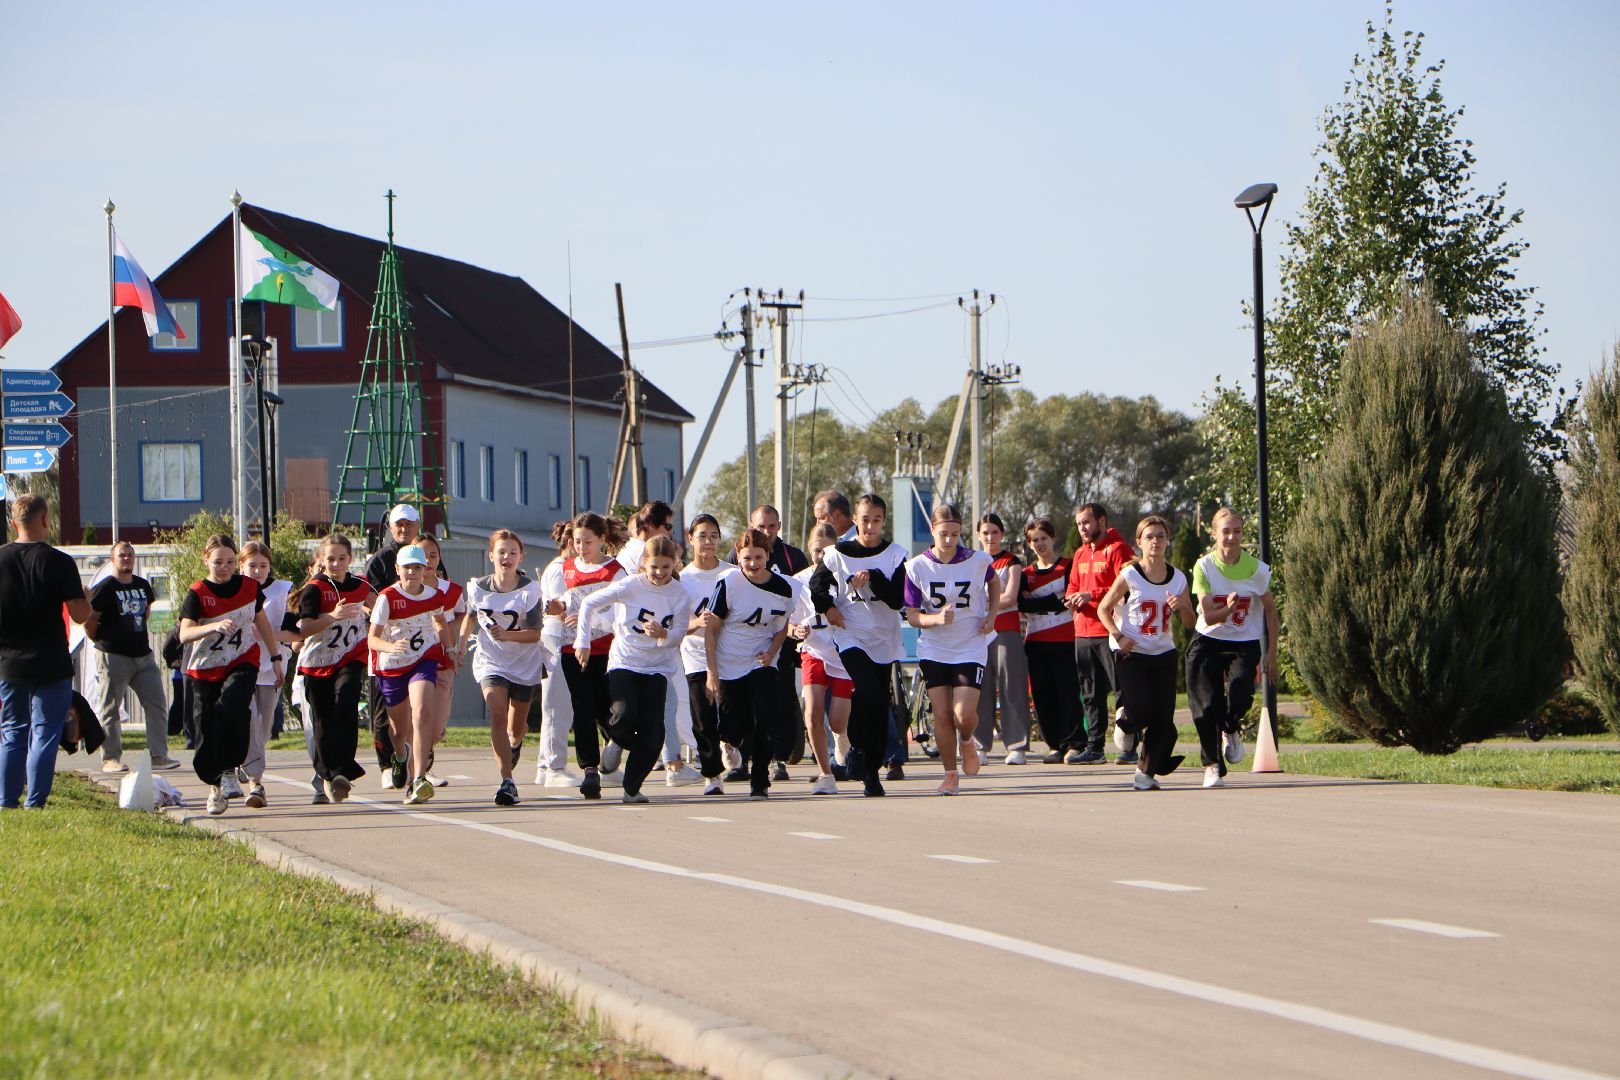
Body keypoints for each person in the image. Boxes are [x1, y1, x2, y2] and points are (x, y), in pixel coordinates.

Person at [578, 534, 693, 803]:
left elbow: (678, 635)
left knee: (654, 733)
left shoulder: (680, 593)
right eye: (654, 567)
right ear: (644, 564)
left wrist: (663, 633)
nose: (659, 573)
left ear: (674, 564)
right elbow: (588, 603)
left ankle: (631, 788)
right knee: (625, 715)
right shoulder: (630, 585)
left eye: (666, 567)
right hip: (626, 661)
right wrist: (582, 641)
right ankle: (616, 741)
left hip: (658, 667)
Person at [0, 494, 97, 810]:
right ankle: (35, 801)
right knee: (44, 733)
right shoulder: (59, 562)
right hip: (51, 662)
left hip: (9, 663)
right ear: (45, 519)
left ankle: (6, 801)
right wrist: (86, 599)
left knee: (12, 732)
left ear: (14, 523)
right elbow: (80, 615)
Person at [809, 492, 908, 797]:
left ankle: (871, 770)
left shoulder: (895, 555)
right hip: (850, 634)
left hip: (884, 637)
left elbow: (897, 599)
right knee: (866, 690)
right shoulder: (839, 553)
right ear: (855, 520)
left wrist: (874, 576)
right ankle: (857, 747)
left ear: (883, 521)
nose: (870, 526)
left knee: (878, 703)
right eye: (865, 519)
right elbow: (817, 586)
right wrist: (829, 608)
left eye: (876, 520)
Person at [176, 534, 281, 816]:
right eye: (218, 562)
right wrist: (212, 626)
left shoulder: (249, 587)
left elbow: (261, 621)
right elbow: (185, 633)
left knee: (233, 706)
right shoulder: (198, 593)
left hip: (241, 660)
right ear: (206, 560)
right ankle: (215, 788)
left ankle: (232, 768)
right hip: (205, 668)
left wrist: (275, 657)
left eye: (231, 562)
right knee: (206, 727)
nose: (225, 568)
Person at [903, 504, 997, 795]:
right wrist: (935, 619)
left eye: (955, 534)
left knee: (963, 715)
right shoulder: (916, 567)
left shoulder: (977, 560)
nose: (949, 540)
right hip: (934, 648)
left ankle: (967, 739)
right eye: (944, 534)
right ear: (933, 530)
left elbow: (994, 582)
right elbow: (912, 615)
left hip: (970, 644)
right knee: (943, 715)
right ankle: (950, 774)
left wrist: (992, 615)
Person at [1185, 507, 1279, 789]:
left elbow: (1271, 610)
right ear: (1214, 534)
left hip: (1244, 642)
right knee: (1207, 705)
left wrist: (1271, 653)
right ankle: (1212, 766)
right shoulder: (1204, 567)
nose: (1231, 537)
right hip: (1208, 640)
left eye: (1237, 531)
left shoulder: (1256, 569)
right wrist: (1227, 609)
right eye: (1225, 531)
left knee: (1240, 693)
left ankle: (1231, 725)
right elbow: (1207, 616)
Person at [1097, 515, 1192, 790]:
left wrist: (1183, 606)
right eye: (1149, 537)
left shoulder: (1178, 578)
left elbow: (1190, 622)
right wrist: (1118, 635)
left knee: (1162, 717)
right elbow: (1103, 609)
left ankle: (1145, 773)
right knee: (1140, 708)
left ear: (1167, 540)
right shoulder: (1130, 575)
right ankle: (1125, 721)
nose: (1155, 542)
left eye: (1161, 536)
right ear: (1139, 542)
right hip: (1132, 652)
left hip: (1163, 652)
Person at [704, 528, 794, 800]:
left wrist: (772, 652)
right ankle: (729, 742)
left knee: (767, 718)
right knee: (734, 724)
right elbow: (711, 629)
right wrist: (712, 672)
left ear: (768, 555)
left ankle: (760, 779)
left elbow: (782, 626)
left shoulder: (783, 588)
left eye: (758, 557)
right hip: (730, 662)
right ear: (738, 557)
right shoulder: (729, 583)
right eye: (746, 558)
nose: (752, 563)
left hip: (761, 662)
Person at [546, 511, 629, 800]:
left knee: (609, 706)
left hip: (606, 649)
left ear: (602, 539)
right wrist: (558, 608)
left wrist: (588, 620)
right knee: (582, 707)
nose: (581, 548)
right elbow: (567, 601)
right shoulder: (567, 568)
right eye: (577, 542)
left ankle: (615, 742)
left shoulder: (615, 571)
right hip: (573, 649)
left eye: (587, 542)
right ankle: (590, 769)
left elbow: (621, 613)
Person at [462, 529, 547, 807]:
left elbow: (535, 634)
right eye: (501, 551)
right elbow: (470, 617)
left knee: (516, 728)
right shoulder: (478, 587)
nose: (506, 557)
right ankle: (507, 781)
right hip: (491, 660)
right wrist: (459, 646)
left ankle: (515, 743)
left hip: (524, 663)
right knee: (497, 715)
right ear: (491, 555)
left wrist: (508, 635)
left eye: (513, 552)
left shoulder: (530, 590)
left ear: (521, 556)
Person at [618, 501, 700, 786]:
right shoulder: (644, 553)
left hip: (637, 641)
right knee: (665, 702)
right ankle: (671, 763)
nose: (670, 532)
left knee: (659, 703)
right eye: (667, 526)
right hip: (645, 643)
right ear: (650, 525)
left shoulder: (628, 552)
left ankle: (662, 758)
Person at [727, 504, 809, 780]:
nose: (767, 531)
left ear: (779, 527)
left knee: (781, 700)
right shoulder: (737, 556)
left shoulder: (793, 556)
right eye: (761, 526)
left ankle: (779, 758)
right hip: (743, 645)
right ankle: (742, 759)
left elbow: (801, 599)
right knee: (744, 704)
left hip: (781, 642)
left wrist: (795, 630)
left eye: (772, 526)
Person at [370, 543, 457, 804]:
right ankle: (399, 755)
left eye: (417, 568)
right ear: (397, 569)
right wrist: (390, 646)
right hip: (393, 666)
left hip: (423, 660)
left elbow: (440, 621)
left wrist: (449, 648)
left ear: (425, 570)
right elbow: (372, 639)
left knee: (421, 711)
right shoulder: (387, 598)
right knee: (398, 731)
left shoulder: (434, 596)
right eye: (407, 568)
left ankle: (418, 779)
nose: (412, 573)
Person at [294, 533, 373, 805]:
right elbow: (304, 629)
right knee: (323, 719)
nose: (336, 564)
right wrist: (332, 616)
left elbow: (380, 607)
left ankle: (343, 769)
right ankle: (330, 774)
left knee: (347, 701)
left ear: (350, 559)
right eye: (330, 559)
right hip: (317, 662)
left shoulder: (361, 585)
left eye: (342, 558)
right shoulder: (315, 589)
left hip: (350, 655)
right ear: (322, 560)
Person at [88, 540, 178, 773]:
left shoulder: (142, 585)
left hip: (143, 656)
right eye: (122, 555)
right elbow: (91, 620)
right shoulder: (105, 587)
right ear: (113, 559)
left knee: (157, 703)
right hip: (113, 655)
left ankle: (158, 755)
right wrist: (101, 642)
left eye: (130, 554)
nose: (126, 558)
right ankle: (111, 758)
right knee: (110, 708)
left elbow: (145, 613)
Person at [1064, 503, 1133, 764]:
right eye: (1078, 524)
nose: (1082, 528)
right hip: (1083, 632)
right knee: (1090, 693)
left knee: (1122, 690)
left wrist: (1090, 595)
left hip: (1111, 631)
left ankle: (1129, 747)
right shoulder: (1080, 553)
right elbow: (1072, 587)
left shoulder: (1118, 549)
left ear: (1102, 521)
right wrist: (1072, 599)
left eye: (1086, 522)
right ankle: (1095, 748)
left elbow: (1126, 587)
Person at [789, 523, 852, 794]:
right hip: (813, 651)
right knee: (812, 713)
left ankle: (841, 737)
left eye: (827, 551)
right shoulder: (798, 581)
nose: (821, 556)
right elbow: (787, 623)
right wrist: (795, 631)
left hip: (842, 653)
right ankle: (826, 774)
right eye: (816, 551)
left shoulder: (845, 578)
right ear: (809, 549)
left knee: (837, 721)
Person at [1017, 518, 1086, 763]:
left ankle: (1074, 743)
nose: (1040, 544)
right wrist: (1052, 601)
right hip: (1036, 642)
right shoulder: (1025, 574)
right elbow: (1023, 604)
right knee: (1042, 697)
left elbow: (1067, 600)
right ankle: (1054, 745)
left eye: (1044, 538)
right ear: (1029, 544)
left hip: (1066, 639)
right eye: (1034, 540)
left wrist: (1041, 602)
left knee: (1068, 693)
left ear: (1053, 538)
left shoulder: (1068, 566)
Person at [364, 503, 422, 781]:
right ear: (390, 527)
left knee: (421, 707)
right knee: (384, 708)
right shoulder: (380, 560)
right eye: (399, 524)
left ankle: (421, 765)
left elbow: (438, 592)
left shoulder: (425, 553)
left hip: (420, 645)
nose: (404, 528)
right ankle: (387, 765)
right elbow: (368, 599)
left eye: (409, 524)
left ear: (417, 526)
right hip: (386, 647)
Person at [238, 540, 297, 808]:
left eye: (263, 566)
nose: (258, 571)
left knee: (264, 723)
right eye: (252, 565)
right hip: (239, 665)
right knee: (247, 718)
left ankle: (249, 763)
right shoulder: (234, 590)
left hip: (272, 665)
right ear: (241, 566)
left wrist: (268, 635)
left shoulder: (282, 591)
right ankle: (255, 781)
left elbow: (296, 633)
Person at [678, 514, 732, 794]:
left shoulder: (732, 574)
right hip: (696, 655)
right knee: (703, 717)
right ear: (691, 539)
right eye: (702, 536)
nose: (708, 542)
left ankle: (731, 742)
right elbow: (676, 623)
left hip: (730, 654)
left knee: (734, 712)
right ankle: (712, 775)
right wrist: (696, 623)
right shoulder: (683, 579)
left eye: (713, 536)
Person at [973, 513, 1031, 764]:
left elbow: (1010, 597)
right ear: (978, 535)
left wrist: (985, 602)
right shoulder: (973, 562)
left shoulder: (1011, 561)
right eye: (985, 533)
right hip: (977, 632)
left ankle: (1017, 745)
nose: (990, 537)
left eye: (994, 532)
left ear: (1002, 534)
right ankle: (979, 746)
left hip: (1006, 629)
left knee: (1011, 686)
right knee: (979, 688)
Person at [535, 520, 579, 788]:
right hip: (556, 639)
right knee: (557, 704)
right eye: (581, 541)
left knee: (562, 704)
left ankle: (545, 765)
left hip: (566, 640)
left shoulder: (570, 568)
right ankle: (554, 766)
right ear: (571, 543)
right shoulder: (560, 569)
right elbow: (559, 608)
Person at [420, 534, 465, 788]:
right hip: (413, 661)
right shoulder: (401, 590)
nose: (427, 561)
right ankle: (420, 770)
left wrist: (452, 639)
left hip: (443, 661)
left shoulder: (451, 590)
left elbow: (461, 614)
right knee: (416, 715)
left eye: (433, 555)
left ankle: (423, 754)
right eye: (421, 555)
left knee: (437, 726)